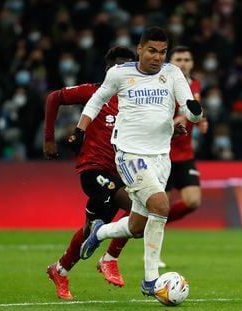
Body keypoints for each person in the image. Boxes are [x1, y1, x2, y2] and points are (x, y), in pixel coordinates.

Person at [71, 26, 203, 296]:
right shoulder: (120, 73)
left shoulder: (172, 73)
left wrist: (194, 113)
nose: (157, 57)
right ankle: (151, 280)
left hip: (161, 156)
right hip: (130, 155)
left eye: (163, 52)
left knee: (137, 226)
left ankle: (99, 233)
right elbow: (96, 102)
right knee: (161, 204)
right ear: (140, 49)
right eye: (152, 51)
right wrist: (80, 129)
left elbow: (190, 108)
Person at [44, 46, 136, 300]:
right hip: (94, 169)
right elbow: (54, 98)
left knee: (91, 229)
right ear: (109, 70)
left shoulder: (135, 98)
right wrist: (49, 139)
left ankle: (59, 269)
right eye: (119, 67)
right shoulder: (95, 92)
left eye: (129, 67)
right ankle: (110, 258)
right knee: (139, 206)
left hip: (122, 171)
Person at [165, 45, 208, 229]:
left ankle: (160, 222)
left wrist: (201, 121)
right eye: (178, 60)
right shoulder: (162, 85)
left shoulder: (196, 84)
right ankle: (129, 227)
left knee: (193, 201)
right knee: (157, 206)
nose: (183, 64)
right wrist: (176, 120)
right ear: (170, 63)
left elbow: (194, 111)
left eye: (187, 60)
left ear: (192, 63)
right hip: (162, 154)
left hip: (184, 154)